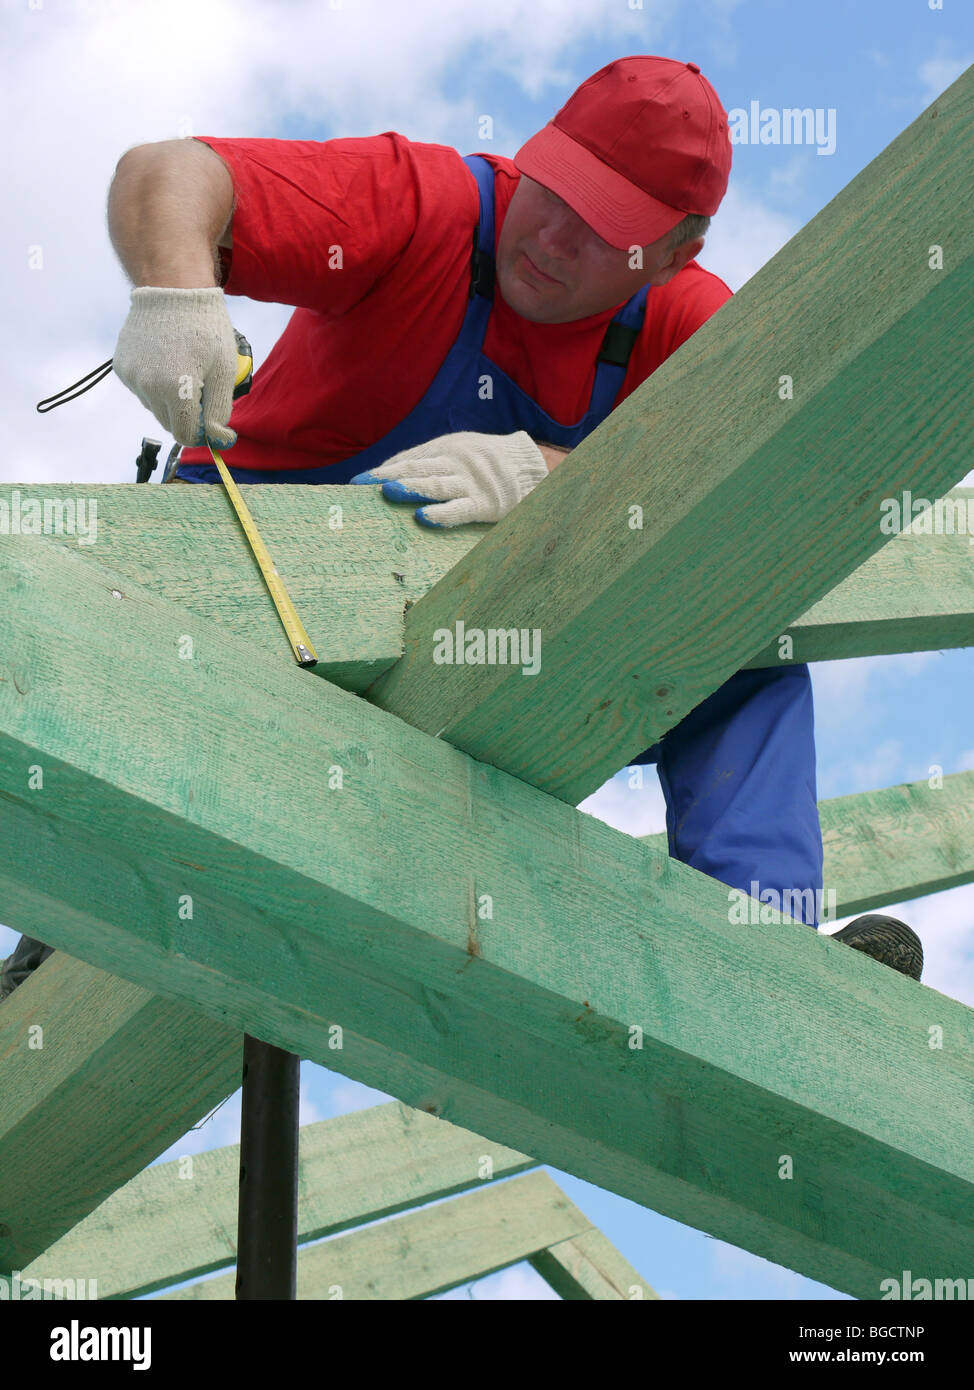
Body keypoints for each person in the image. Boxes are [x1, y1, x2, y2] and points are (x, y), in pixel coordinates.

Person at [1, 55, 922, 1001]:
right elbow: (167, 174)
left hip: (452, 671)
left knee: (746, 652)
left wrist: (563, 480)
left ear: (675, 254)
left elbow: (785, 502)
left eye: (606, 230)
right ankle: (53, 964)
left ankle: (763, 969)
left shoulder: (689, 330)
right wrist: (175, 294)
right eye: (556, 188)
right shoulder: (430, 206)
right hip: (242, 599)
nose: (554, 239)